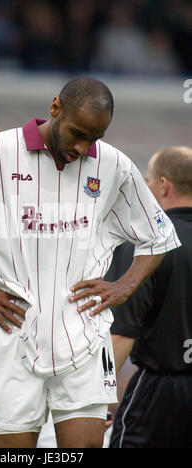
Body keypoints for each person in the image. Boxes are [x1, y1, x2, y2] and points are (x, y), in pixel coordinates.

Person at [0, 77, 180, 449]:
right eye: (77, 133)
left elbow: (159, 235)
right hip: (13, 336)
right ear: (55, 108)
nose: (82, 148)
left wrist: (124, 285)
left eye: (93, 139)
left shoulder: (114, 165)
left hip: (85, 336)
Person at [106, 146, 192, 448]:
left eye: (148, 181)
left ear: (163, 186)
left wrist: (98, 396)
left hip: (158, 391)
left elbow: (121, 333)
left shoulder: (149, 246)